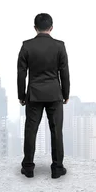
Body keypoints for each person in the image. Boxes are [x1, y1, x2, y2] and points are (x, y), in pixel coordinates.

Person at [17, 13, 70, 179]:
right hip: (55, 94)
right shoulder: (59, 46)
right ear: (51, 27)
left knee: (31, 131)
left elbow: (21, 73)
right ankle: (57, 168)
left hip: (34, 95)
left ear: (35, 28)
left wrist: (21, 95)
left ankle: (28, 168)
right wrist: (66, 93)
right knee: (56, 131)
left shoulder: (27, 46)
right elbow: (65, 73)